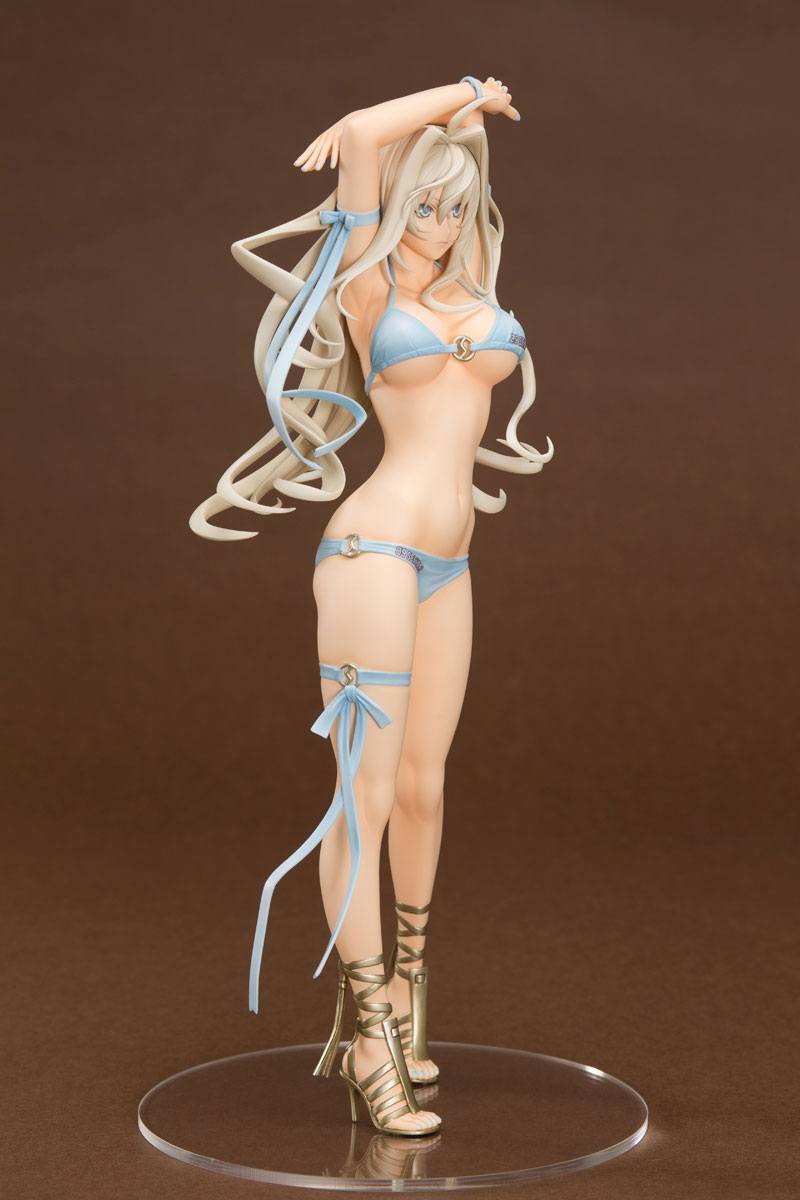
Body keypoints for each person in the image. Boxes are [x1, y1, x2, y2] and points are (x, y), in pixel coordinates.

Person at [190, 75, 554, 1136]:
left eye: (454, 205)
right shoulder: (365, 285)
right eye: (421, 204)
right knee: (363, 792)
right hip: (372, 550)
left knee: (424, 789)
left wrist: (465, 135)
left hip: (448, 562)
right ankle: (364, 1037)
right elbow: (357, 135)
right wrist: (465, 89)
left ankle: (409, 995)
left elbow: (460, 175)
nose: (436, 223)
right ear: (396, 205)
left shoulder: (471, 274)